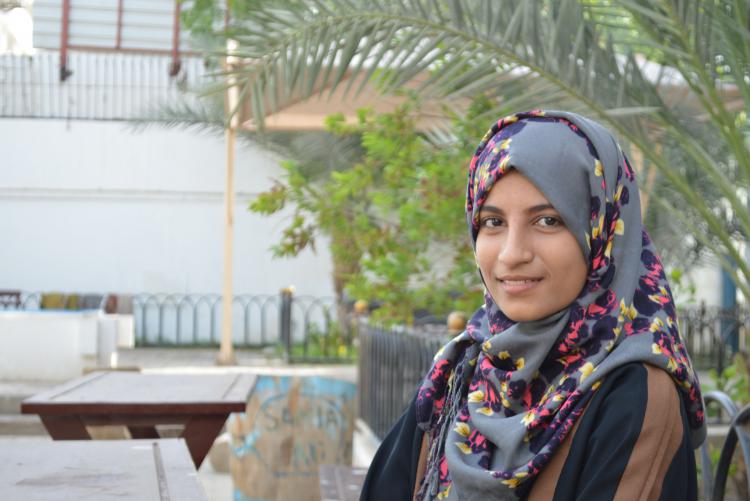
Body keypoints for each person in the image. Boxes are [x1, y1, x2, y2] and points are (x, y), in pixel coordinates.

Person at [359, 110, 706, 501]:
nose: (511, 254)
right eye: (493, 222)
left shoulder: (633, 395)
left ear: (601, 233)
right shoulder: (466, 367)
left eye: (547, 221)